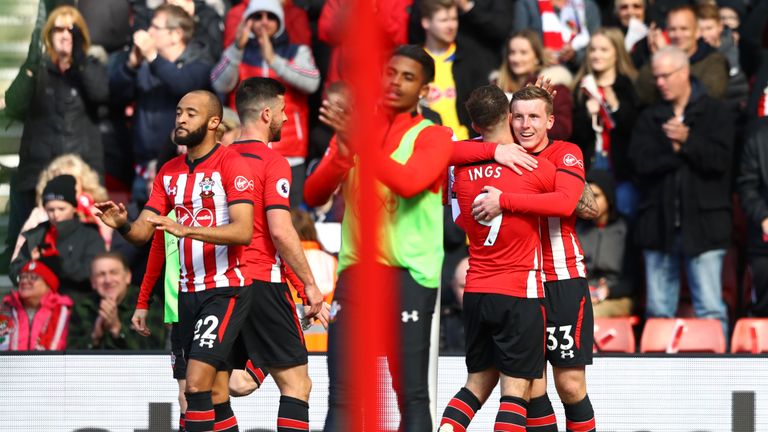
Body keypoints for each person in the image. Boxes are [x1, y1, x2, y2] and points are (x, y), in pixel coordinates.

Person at [95, 90, 256, 432]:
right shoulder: (168, 172)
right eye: (179, 112)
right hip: (185, 297)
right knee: (211, 392)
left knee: (196, 385)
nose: (181, 118)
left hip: (224, 291)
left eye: (191, 113)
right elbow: (143, 233)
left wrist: (186, 229)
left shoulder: (232, 164)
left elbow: (243, 231)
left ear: (214, 122)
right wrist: (123, 224)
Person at [471, 85, 598, 431]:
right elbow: (469, 139)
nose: (526, 125)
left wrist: (505, 200)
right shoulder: (499, 154)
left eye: (535, 117)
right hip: (519, 285)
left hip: (562, 280)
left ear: (551, 121)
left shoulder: (565, 152)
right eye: (519, 116)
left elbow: (567, 203)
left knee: (570, 386)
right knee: (531, 389)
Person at [438, 85, 557, 432]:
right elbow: (567, 202)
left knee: (476, 385)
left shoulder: (457, 168)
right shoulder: (535, 166)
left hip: (475, 289)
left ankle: (447, 428)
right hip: (519, 291)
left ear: (474, 126)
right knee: (516, 393)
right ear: (510, 116)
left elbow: (457, 214)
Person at [226, 76, 329, 432]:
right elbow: (281, 231)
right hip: (260, 282)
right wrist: (310, 287)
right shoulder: (272, 162)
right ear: (267, 114)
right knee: (297, 384)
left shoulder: (217, 162)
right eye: (284, 111)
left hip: (218, 284)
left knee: (229, 384)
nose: (287, 119)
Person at [629, 46, 732, 338]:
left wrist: (688, 141)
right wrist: (680, 151)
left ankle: (720, 377)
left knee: (711, 310)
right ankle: (659, 381)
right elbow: (639, 163)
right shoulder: (650, 117)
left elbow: (722, 162)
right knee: (658, 311)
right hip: (658, 226)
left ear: (684, 72)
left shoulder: (716, 112)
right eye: (656, 77)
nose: (659, 82)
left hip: (705, 225)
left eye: (665, 76)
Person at [4, 5, 108, 263]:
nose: (64, 35)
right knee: (32, 252)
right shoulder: (37, 69)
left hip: (80, 174)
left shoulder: (91, 66)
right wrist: (31, 63)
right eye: (58, 29)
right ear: (49, 34)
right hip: (37, 170)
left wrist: (79, 61)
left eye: (71, 30)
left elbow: (101, 96)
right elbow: (14, 104)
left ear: (80, 35)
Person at [211, 0, 321, 208]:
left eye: (270, 16)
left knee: (288, 216)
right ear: (247, 21)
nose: (264, 22)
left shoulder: (297, 51)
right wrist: (236, 49)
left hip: (289, 151)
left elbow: (312, 82)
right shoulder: (236, 52)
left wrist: (273, 59)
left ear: (280, 21)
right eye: (257, 16)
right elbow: (219, 83)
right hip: (245, 149)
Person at [109, 4, 212, 194]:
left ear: (176, 34)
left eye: (156, 27)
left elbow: (183, 86)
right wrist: (130, 66)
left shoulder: (200, 62)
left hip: (183, 168)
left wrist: (153, 57)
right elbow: (116, 96)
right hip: (143, 169)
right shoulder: (147, 64)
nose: (149, 31)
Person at [571, 28, 640, 217]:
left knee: (626, 212)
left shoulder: (628, 85)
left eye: (604, 49)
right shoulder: (581, 87)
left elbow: (635, 128)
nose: (596, 55)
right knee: (590, 217)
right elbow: (576, 135)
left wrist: (616, 106)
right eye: (593, 50)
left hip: (622, 166)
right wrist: (587, 115)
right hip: (592, 163)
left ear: (617, 53)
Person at [10, 175, 106, 302]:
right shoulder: (35, 235)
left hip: (78, 305)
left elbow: (94, 273)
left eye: (61, 209)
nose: (56, 214)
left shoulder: (90, 235)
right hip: (39, 305)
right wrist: (32, 267)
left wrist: (58, 263)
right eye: (50, 209)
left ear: (74, 207)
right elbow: (14, 271)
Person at [419, 0, 497, 140]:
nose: (451, 26)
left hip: (465, 143)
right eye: (444, 20)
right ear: (426, 22)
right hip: (425, 143)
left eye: (454, 19)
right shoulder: (415, 62)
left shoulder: (471, 59)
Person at [12, 154, 111, 260]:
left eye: (71, 181)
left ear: (83, 183)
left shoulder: (98, 213)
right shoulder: (39, 215)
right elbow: (19, 257)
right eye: (60, 181)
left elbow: (109, 250)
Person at [634, 5, 729, 106]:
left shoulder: (714, 60)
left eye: (684, 29)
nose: (678, 35)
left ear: (697, 32)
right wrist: (661, 58)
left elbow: (710, 94)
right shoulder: (660, 57)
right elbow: (642, 95)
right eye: (672, 29)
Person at [69, 252, 165, 349]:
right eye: (101, 274)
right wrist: (95, 337)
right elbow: (69, 357)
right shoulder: (82, 307)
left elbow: (155, 351)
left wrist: (117, 328)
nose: (108, 280)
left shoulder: (147, 303)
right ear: (93, 282)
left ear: (127, 277)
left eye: (113, 272)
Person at [493, 30, 574, 141]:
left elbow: (563, 129)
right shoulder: (496, 86)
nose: (516, 58)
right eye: (512, 52)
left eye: (523, 52)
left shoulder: (554, 85)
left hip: (542, 154)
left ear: (537, 57)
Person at [576, 169, 634, 317]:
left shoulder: (626, 227)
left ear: (608, 198)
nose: (589, 202)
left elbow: (633, 280)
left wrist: (608, 291)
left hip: (616, 297)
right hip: (582, 295)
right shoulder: (577, 227)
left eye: (596, 196)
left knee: (589, 315)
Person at [0, 258, 73, 351]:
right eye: (22, 277)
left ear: (48, 285)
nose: (25, 281)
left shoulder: (62, 310)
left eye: (33, 277)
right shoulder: (7, 309)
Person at [512, 0, 602, 71]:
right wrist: (539, 53)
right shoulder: (527, 4)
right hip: (537, 71)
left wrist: (574, 55)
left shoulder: (588, 6)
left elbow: (596, 48)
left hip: (577, 72)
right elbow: (518, 42)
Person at [738, 118, 768, 317]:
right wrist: (764, 217)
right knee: (763, 309)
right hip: (764, 245)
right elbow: (747, 186)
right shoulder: (759, 136)